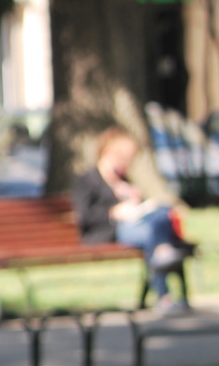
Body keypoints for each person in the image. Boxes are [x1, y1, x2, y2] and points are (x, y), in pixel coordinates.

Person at [71, 127, 194, 314]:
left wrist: (134, 199)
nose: (126, 165)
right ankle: (164, 289)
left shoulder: (122, 180)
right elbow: (84, 216)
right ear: (108, 153)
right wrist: (113, 212)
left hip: (135, 225)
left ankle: (164, 271)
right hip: (108, 231)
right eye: (123, 159)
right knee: (154, 234)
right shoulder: (88, 179)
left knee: (163, 213)